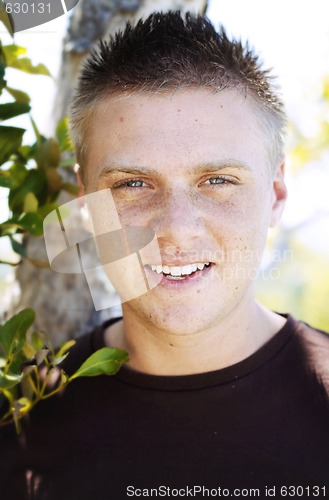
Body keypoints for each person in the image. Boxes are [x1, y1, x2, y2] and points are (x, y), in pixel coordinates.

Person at [1, 11, 329, 500]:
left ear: (276, 193)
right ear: (85, 200)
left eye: (218, 181)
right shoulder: (18, 422)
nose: (176, 229)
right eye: (133, 184)